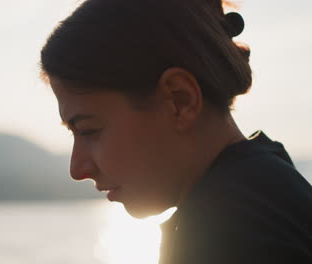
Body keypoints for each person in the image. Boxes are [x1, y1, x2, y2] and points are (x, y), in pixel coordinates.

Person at [39, 0, 312, 263]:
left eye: (89, 130)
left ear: (179, 101)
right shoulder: (271, 193)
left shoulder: (226, 235)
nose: (77, 169)